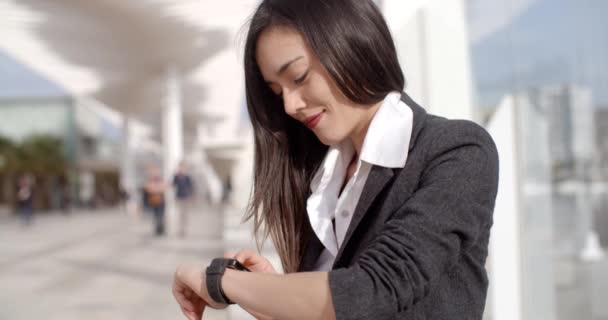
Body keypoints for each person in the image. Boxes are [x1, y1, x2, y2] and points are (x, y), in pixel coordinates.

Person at [172, 0, 499, 319]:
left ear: (351, 44)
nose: (289, 106)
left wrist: (221, 282)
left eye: (298, 76)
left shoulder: (458, 151)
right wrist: (275, 294)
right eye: (276, 91)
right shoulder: (322, 180)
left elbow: (373, 291)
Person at [173, 162, 195, 237]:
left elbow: (191, 187)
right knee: (179, 214)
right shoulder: (176, 176)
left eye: (183, 167)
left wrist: (191, 197)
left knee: (185, 215)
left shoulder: (187, 177)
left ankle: (184, 230)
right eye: (180, 167)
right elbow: (173, 185)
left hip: (186, 198)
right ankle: (180, 229)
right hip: (179, 197)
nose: (181, 169)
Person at [144, 166, 167, 236]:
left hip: (161, 201)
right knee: (155, 216)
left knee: (161, 216)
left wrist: (155, 188)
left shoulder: (161, 179)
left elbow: (164, 187)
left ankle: (161, 229)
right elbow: (148, 188)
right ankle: (157, 229)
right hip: (153, 201)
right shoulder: (150, 180)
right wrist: (156, 188)